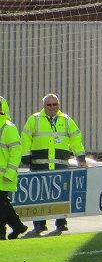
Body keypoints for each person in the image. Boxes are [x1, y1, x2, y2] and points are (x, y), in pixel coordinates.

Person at [20, 93, 85, 234]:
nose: (52, 107)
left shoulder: (66, 120)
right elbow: (25, 138)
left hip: (60, 165)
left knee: (61, 194)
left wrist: (81, 158)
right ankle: (39, 224)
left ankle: (61, 223)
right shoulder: (34, 119)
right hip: (39, 164)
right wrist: (25, 155)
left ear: (58, 105)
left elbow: (76, 139)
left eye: (55, 104)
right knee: (39, 195)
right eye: (49, 104)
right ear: (44, 105)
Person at [0, 96, 28, 241]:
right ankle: (18, 226)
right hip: (3, 175)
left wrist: (10, 173)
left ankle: (1, 233)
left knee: (1, 205)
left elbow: (16, 152)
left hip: (4, 176)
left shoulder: (8, 127)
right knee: (3, 204)